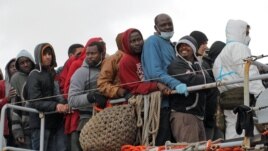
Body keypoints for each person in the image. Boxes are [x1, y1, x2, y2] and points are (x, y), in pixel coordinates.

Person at [212, 19, 265, 139]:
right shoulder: (238, 47)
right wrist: (261, 95)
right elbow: (249, 73)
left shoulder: (219, 57)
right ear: (240, 32)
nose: (248, 37)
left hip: (228, 102)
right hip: (244, 101)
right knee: (251, 137)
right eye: (246, 33)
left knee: (233, 133)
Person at [141, 13, 188, 145]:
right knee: (163, 142)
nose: (167, 27)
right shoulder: (152, 41)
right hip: (161, 104)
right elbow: (154, 71)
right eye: (163, 25)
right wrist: (176, 84)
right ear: (156, 27)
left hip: (174, 102)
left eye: (170, 24)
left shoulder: (171, 44)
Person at [167, 35, 213, 142]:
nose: (183, 48)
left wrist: (198, 78)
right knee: (190, 148)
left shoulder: (197, 65)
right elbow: (191, 81)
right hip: (184, 115)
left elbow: (210, 82)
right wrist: (200, 79)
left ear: (193, 48)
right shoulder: (176, 64)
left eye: (187, 45)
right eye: (181, 46)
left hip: (198, 115)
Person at [23, 43, 69, 151]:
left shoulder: (52, 74)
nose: (48, 56)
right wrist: (56, 106)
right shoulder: (34, 75)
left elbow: (56, 94)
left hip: (53, 122)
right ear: (38, 56)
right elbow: (35, 101)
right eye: (45, 54)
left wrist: (65, 103)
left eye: (50, 54)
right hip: (40, 123)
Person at [68, 40, 107, 151]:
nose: (89, 56)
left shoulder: (107, 68)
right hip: (86, 123)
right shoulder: (80, 73)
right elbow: (71, 100)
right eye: (88, 53)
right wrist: (90, 97)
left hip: (106, 121)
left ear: (102, 54)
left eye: (93, 53)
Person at [10, 49, 35, 149]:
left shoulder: (38, 74)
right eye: (22, 63)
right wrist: (17, 131)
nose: (25, 65)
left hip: (42, 121)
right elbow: (15, 106)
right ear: (18, 65)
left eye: (27, 61)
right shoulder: (15, 78)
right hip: (26, 126)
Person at [97, 33, 129, 99]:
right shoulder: (111, 60)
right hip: (120, 102)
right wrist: (118, 91)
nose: (136, 43)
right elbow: (102, 84)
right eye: (131, 40)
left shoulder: (138, 56)